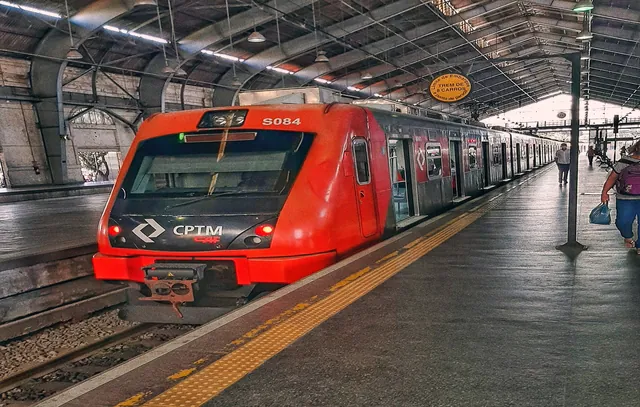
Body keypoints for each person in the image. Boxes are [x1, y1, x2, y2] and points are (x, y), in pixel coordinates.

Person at [601, 139, 640, 253]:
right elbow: (612, 177)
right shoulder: (624, 161)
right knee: (622, 222)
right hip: (625, 198)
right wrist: (604, 192)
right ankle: (627, 236)